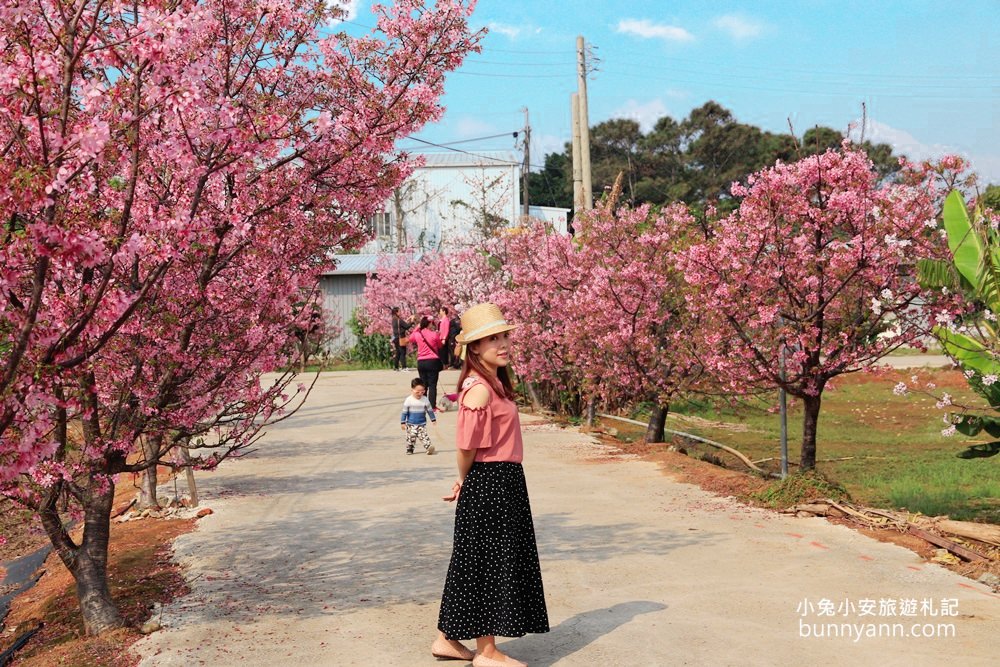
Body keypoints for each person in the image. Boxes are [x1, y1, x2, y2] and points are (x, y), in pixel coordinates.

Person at [430, 302, 548, 667]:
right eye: (491, 339)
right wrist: (463, 480)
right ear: (474, 348)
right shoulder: (479, 389)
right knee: (489, 563)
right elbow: (466, 445)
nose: (502, 344)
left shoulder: (493, 383)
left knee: (472, 562)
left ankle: (447, 640)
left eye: (503, 336)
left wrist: (466, 480)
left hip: (502, 480)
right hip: (492, 482)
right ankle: (486, 651)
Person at [410, 314, 446, 410]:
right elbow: (440, 346)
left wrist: (417, 328)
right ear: (429, 323)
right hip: (432, 361)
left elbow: (410, 338)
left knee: (423, 385)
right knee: (432, 385)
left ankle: (422, 405)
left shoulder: (418, 334)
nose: (433, 325)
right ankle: (432, 406)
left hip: (421, 362)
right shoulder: (434, 334)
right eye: (432, 323)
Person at [400, 377, 436, 455]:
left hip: (422, 423)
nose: (420, 394)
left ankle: (429, 447)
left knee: (424, 436)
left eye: (422, 392)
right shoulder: (408, 400)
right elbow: (404, 412)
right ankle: (410, 449)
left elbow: (430, 410)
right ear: (412, 390)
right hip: (411, 424)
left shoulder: (425, 399)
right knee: (411, 437)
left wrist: (433, 419)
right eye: (417, 392)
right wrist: (402, 422)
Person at [390, 307, 410, 371]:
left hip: (396, 338)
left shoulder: (393, 319)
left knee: (398, 352)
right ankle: (404, 367)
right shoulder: (399, 320)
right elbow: (407, 326)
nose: (400, 312)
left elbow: (400, 328)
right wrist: (412, 322)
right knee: (402, 352)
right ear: (396, 312)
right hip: (400, 338)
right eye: (399, 311)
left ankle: (396, 367)